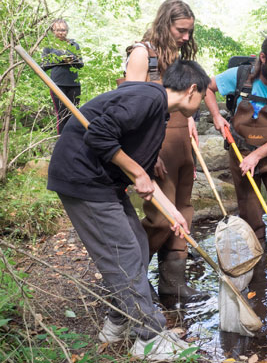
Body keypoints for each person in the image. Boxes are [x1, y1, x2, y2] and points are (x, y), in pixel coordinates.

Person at [47, 59, 210, 361]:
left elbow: (143, 172)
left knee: (136, 244)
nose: (201, 104)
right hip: (82, 179)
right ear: (191, 90)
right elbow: (98, 135)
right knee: (125, 255)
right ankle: (149, 338)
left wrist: (173, 213)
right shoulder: (147, 98)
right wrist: (136, 173)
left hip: (103, 182)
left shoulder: (157, 111)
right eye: (203, 96)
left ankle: (119, 322)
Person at [124, 0, 205, 302]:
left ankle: (173, 284)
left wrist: (191, 123)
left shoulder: (179, 57)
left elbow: (184, 99)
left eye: (189, 32)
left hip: (183, 144)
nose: (186, 37)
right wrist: (149, 154)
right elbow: (130, 110)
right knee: (161, 218)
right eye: (181, 30)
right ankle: (126, 276)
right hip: (156, 149)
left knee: (183, 212)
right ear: (165, 23)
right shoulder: (142, 54)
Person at [205, 35, 267, 253]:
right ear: (263, 58)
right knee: (250, 213)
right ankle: (259, 252)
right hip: (240, 154)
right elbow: (207, 88)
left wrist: (257, 156)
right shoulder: (239, 76)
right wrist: (216, 116)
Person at [41, 18, 83, 134]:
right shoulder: (49, 46)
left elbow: (81, 64)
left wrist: (73, 60)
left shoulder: (74, 45)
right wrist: (60, 60)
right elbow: (43, 65)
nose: (61, 32)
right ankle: (61, 141)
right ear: (53, 31)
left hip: (74, 84)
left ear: (67, 31)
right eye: (58, 30)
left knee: (75, 113)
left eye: (63, 30)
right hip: (57, 85)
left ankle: (74, 139)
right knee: (62, 114)